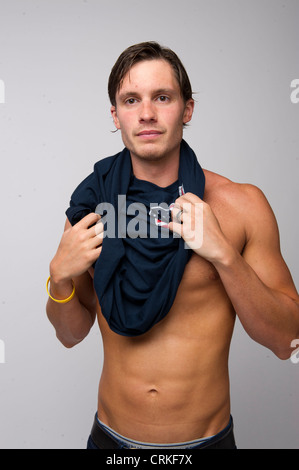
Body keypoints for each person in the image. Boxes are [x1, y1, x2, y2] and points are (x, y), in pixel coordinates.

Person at [46, 42, 299, 450]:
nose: (146, 113)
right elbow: (70, 335)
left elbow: (288, 341)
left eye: (162, 97)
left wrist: (224, 256)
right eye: (131, 100)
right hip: (111, 442)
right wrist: (59, 278)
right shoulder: (92, 206)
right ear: (115, 115)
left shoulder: (241, 206)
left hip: (206, 444)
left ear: (187, 109)